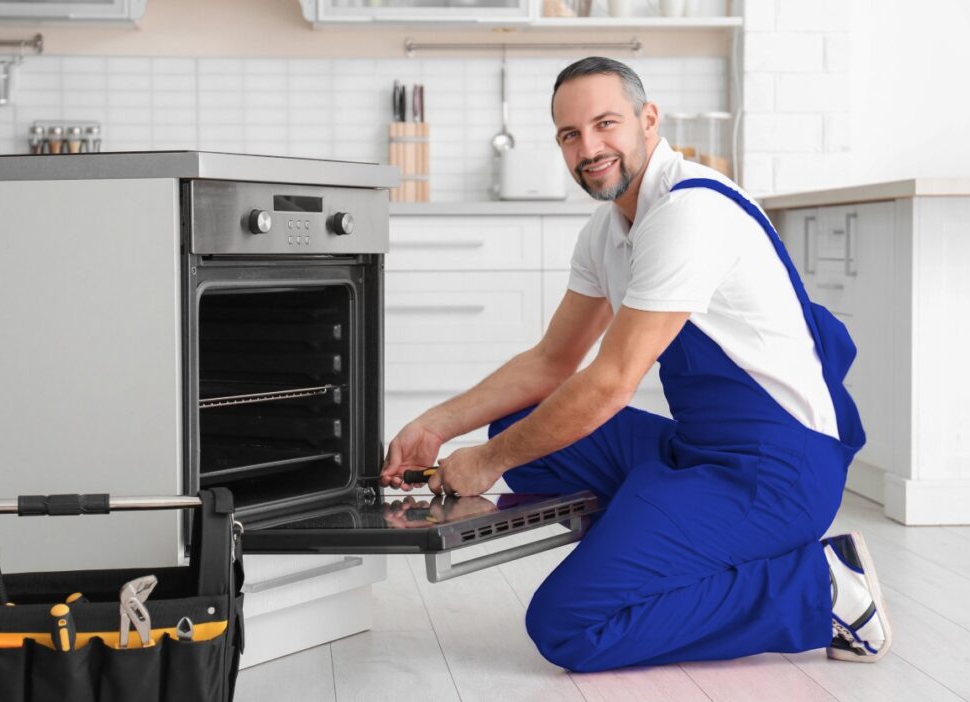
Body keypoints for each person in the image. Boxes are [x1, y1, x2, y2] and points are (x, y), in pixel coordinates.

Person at [379, 56, 892, 671]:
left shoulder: (688, 213)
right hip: (700, 451)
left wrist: (489, 463)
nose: (589, 148)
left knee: (567, 625)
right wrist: (437, 425)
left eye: (605, 124)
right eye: (570, 135)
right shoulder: (608, 230)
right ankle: (663, 549)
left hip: (776, 475)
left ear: (648, 120)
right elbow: (551, 361)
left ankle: (821, 589)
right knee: (522, 426)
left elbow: (612, 383)